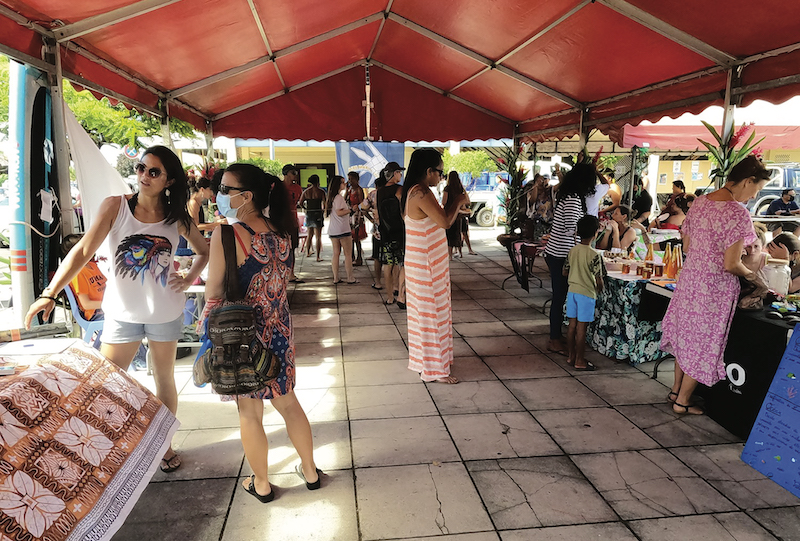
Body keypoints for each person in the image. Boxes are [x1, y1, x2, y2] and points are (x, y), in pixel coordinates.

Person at [25, 145, 209, 472]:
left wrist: (188, 277)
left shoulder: (176, 216)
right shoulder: (116, 206)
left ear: (169, 181)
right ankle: (109, 446)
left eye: (154, 172)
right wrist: (50, 293)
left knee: (164, 379)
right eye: (141, 168)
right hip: (122, 313)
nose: (144, 176)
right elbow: (83, 250)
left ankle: (164, 446)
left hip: (165, 311)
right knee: (108, 385)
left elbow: (203, 251)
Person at [202, 163, 320, 502]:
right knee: (289, 404)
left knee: (250, 412)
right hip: (280, 333)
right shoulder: (283, 232)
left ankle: (262, 483)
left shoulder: (227, 235)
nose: (219, 195)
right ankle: (310, 471)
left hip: (243, 338)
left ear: (246, 196)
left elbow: (213, 291)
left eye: (225, 190)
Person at [661, 155, 771, 415]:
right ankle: (682, 401)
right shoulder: (737, 213)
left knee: (686, 338)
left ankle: (676, 390)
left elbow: (687, 246)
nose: (754, 196)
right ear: (748, 180)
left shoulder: (700, 202)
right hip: (714, 289)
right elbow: (731, 264)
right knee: (703, 342)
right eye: (757, 189)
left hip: (690, 281)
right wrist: (753, 276)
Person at [401, 149, 469, 384]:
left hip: (426, 262)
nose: (441, 177)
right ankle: (434, 369)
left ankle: (429, 361)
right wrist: (458, 199)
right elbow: (445, 222)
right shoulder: (420, 193)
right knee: (431, 315)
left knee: (429, 314)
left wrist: (456, 205)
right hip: (426, 264)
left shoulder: (417, 190)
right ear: (428, 171)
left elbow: (439, 219)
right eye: (440, 172)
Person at [543, 163, 594, 355]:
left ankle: (557, 335)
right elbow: (572, 228)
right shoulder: (573, 198)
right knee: (559, 296)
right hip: (561, 254)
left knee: (561, 295)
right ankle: (554, 339)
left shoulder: (570, 195)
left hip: (560, 252)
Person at [563, 215, 605, 371]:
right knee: (582, 328)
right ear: (595, 233)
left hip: (572, 291)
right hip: (586, 293)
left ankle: (571, 356)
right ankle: (580, 360)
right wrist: (599, 289)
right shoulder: (594, 255)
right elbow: (599, 279)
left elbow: (564, 272)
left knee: (572, 326)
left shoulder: (572, 251)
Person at [378, 162, 406, 307]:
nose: (400, 175)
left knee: (388, 265)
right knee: (401, 264)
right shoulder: (400, 189)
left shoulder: (379, 191)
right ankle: (400, 292)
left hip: (385, 233)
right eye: (399, 172)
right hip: (399, 233)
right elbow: (403, 212)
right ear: (394, 173)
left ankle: (389, 297)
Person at [61, 234, 106, 321]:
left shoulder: (93, 265)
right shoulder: (77, 273)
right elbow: (86, 304)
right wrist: (111, 304)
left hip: (104, 307)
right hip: (95, 312)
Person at [325, 175, 357, 284]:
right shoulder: (339, 197)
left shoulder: (332, 197)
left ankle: (336, 277)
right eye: (343, 182)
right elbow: (339, 212)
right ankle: (350, 278)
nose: (345, 184)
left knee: (336, 253)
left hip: (334, 230)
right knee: (348, 254)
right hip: (343, 229)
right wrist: (351, 210)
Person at [361, 175, 387, 289]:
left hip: (377, 230)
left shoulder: (372, 194)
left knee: (377, 257)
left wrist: (371, 219)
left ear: (376, 186)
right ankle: (394, 285)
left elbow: (362, 208)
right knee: (391, 259)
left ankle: (378, 282)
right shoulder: (393, 192)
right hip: (392, 230)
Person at [282, 164, 304, 283]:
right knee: (281, 247)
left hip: (293, 221)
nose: (295, 175)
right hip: (281, 221)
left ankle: (291, 273)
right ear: (286, 174)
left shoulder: (298, 188)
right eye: (292, 173)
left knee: (293, 247)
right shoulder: (278, 187)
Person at [443, 171, 470, 259]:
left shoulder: (447, 188)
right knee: (458, 233)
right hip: (459, 214)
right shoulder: (460, 188)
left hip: (450, 213)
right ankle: (460, 253)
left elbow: (444, 202)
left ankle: (450, 255)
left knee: (450, 234)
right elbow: (466, 201)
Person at [299, 174, 325, 261]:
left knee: (309, 235)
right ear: (318, 182)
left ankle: (307, 252)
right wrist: (323, 211)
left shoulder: (306, 192)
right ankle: (318, 256)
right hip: (318, 214)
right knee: (318, 236)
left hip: (309, 213)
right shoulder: (321, 192)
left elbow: (300, 203)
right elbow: (325, 203)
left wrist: (306, 208)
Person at [525, 173, 554, 241]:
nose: (541, 181)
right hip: (538, 221)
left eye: (542, 179)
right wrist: (536, 187)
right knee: (539, 241)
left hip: (550, 221)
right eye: (539, 180)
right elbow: (532, 200)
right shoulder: (531, 191)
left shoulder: (549, 190)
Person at [347, 172, 367, 266]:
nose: (350, 181)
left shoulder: (359, 190)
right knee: (350, 237)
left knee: (356, 238)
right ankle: (351, 257)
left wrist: (359, 215)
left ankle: (359, 258)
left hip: (357, 215)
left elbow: (361, 204)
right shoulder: (350, 189)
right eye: (349, 179)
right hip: (350, 215)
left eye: (351, 179)